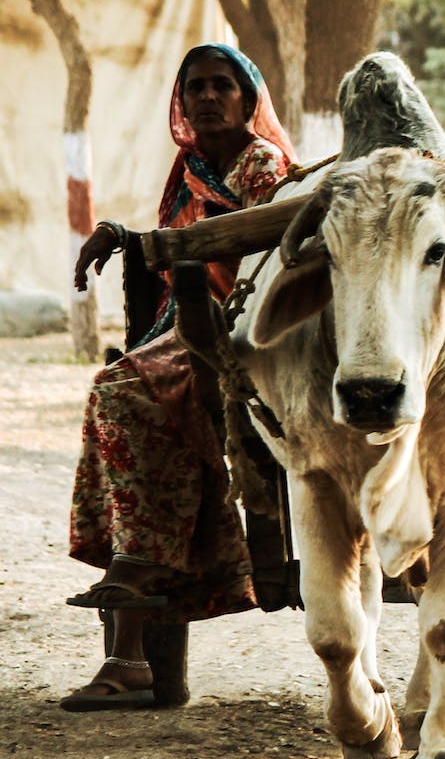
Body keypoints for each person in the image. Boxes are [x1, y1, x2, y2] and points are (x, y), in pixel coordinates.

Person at [60, 43, 296, 711]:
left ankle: (130, 650)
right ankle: (131, 652)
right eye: (195, 87)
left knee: (126, 390)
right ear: (181, 102)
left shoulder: (262, 165)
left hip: (250, 327)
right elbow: (174, 247)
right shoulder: (192, 168)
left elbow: (258, 251)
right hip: (186, 327)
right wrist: (125, 238)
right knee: (124, 391)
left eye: (224, 85)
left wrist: (160, 247)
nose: (208, 97)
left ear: (249, 101)